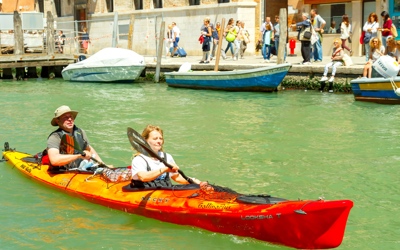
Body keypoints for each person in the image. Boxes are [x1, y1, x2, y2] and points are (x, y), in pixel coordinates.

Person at [130, 125, 206, 188]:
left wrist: (195, 181)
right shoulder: (139, 159)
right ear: (145, 140)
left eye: (161, 138)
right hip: (143, 191)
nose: (159, 141)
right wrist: (164, 169)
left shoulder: (167, 157)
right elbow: (143, 177)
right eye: (155, 139)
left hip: (164, 191)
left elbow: (177, 177)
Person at [46, 105, 104, 171]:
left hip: (81, 168)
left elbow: (89, 149)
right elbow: (54, 160)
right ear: (57, 121)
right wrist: (78, 156)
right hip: (63, 171)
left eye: (71, 116)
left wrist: (102, 164)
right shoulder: (55, 137)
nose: (70, 119)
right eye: (65, 117)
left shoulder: (80, 132)